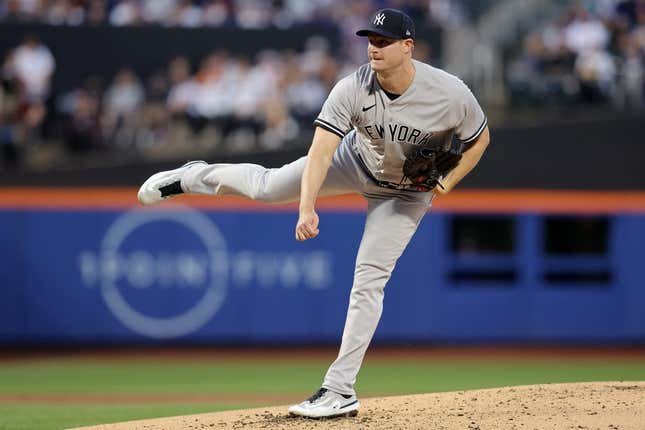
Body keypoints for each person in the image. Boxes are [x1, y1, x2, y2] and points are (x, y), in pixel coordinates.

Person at [138, 8, 490, 419]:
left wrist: (444, 184)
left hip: (406, 195)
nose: (373, 49)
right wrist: (307, 207)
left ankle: (339, 390)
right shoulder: (351, 88)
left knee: (369, 280)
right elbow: (321, 151)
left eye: (383, 42)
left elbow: (479, 139)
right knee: (268, 187)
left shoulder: (449, 92)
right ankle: (192, 176)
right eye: (370, 41)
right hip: (354, 162)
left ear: (407, 46)